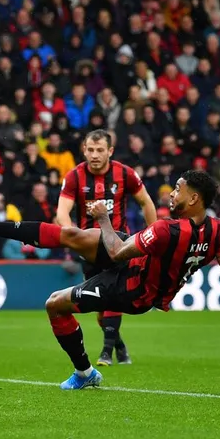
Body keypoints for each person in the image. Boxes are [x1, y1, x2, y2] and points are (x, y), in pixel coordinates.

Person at [0, 170, 220, 389]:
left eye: (177, 189)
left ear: (194, 199)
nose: (171, 194)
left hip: (133, 289)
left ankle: (85, 373)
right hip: (140, 263)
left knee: (54, 304)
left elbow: (117, 252)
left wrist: (102, 217)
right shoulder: (219, 230)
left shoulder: (166, 229)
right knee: (73, 235)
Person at [56, 129, 158, 366]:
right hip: (89, 249)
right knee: (99, 304)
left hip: (118, 247)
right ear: (84, 150)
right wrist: (73, 237)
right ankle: (119, 344)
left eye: (100, 150)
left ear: (110, 151)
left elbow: (146, 202)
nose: (94, 155)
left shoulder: (126, 174)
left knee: (113, 296)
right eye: (90, 150)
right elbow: (62, 212)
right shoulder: (74, 177)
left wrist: (154, 236)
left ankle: (106, 352)